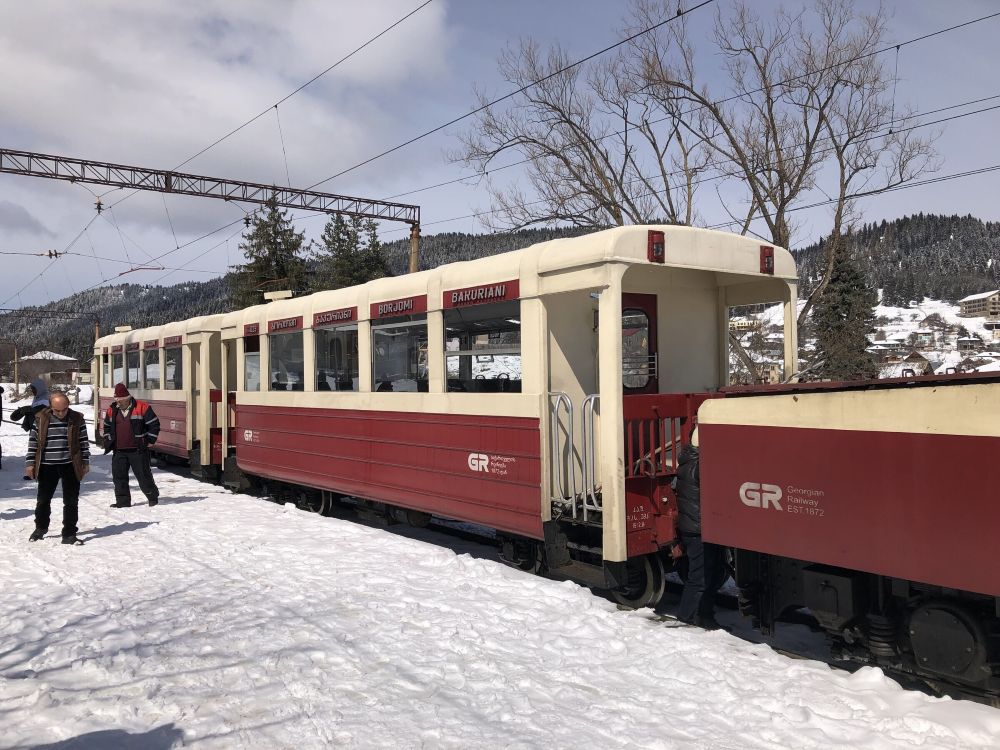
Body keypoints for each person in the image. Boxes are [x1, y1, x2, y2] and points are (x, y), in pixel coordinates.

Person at [674, 427, 727, 629]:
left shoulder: (687, 461)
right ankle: (686, 619)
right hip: (699, 528)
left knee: (706, 575)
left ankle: (704, 616)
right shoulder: (700, 465)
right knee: (700, 578)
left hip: (695, 527)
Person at [26, 391, 90, 545]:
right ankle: (40, 528)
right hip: (47, 466)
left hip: (70, 464)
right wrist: (30, 463)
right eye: (57, 410)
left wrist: (85, 462)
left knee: (71, 501)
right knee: (43, 500)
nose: (61, 413)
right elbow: (33, 442)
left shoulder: (77, 419)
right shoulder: (41, 418)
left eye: (64, 409)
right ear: (51, 407)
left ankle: (69, 533)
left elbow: (83, 441)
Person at [103, 383, 160, 508]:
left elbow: (154, 424)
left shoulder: (142, 407)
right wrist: (108, 439)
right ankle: (122, 502)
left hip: (138, 449)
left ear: (127, 398)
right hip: (118, 450)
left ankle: (152, 497)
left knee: (143, 475)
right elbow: (106, 426)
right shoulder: (112, 410)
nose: (119, 402)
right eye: (117, 400)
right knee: (119, 477)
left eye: (121, 400)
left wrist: (150, 440)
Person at [11, 379, 50, 480]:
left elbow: (44, 412)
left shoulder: (45, 399)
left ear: (40, 389)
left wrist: (30, 410)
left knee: (39, 450)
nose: (33, 391)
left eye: (34, 389)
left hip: (43, 428)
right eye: (32, 389)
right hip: (35, 428)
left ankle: (37, 472)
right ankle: (34, 471)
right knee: (34, 450)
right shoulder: (37, 399)